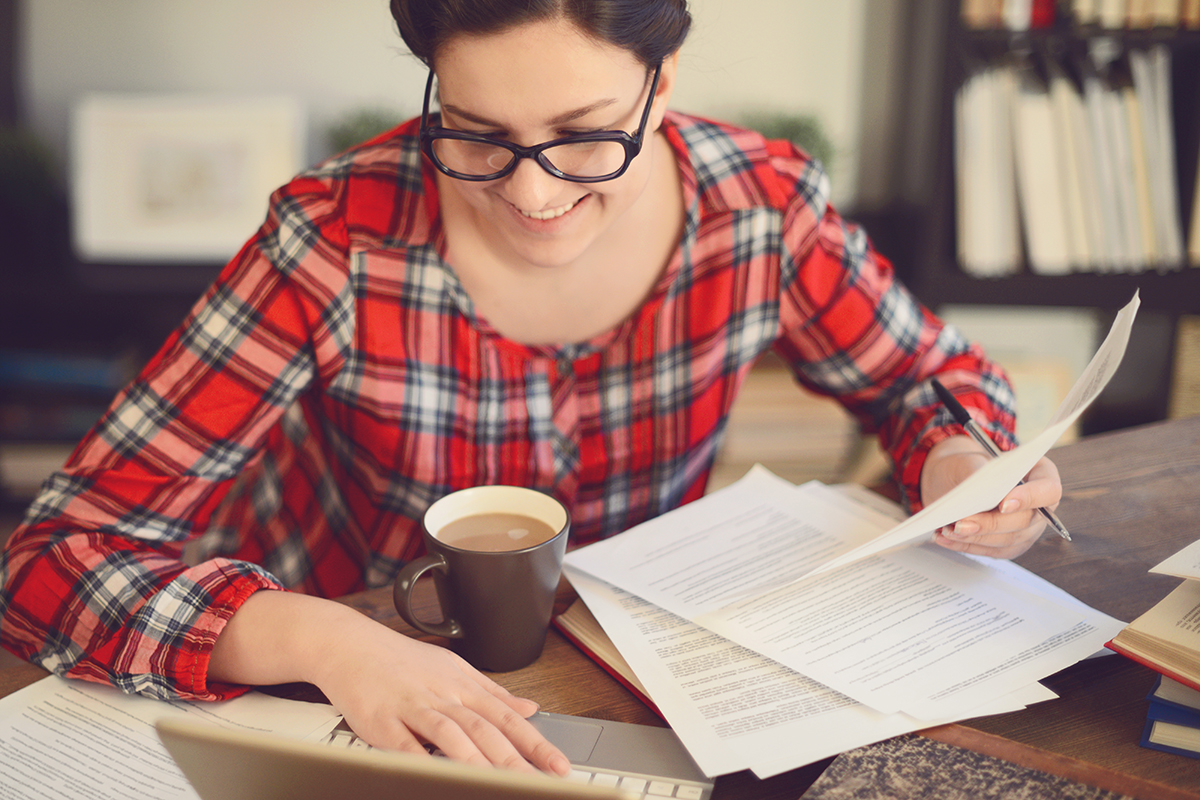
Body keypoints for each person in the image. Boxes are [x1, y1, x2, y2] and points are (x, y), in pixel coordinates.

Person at [0, 0, 1062, 777]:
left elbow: (935, 380)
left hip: (650, 693)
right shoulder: (334, 240)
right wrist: (325, 639)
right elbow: (50, 559)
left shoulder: (761, 209)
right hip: (358, 698)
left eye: (586, 135)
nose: (532, 192)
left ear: (667, 77)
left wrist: (963, 462)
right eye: (476, 133)